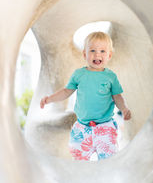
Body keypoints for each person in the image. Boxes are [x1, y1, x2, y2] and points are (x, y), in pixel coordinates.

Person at [40, 31, 131, 161]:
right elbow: (66, 91)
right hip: (82, 128)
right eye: (92, 50)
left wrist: (124, 109)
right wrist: (49, 99)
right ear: (85, 54)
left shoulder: (111, 77)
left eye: (102, 51)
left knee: (108, 162)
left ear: (109, 55)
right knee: (78, 162)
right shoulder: (79, 74)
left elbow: (118, 96)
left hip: (105, 127)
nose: (97, 54)